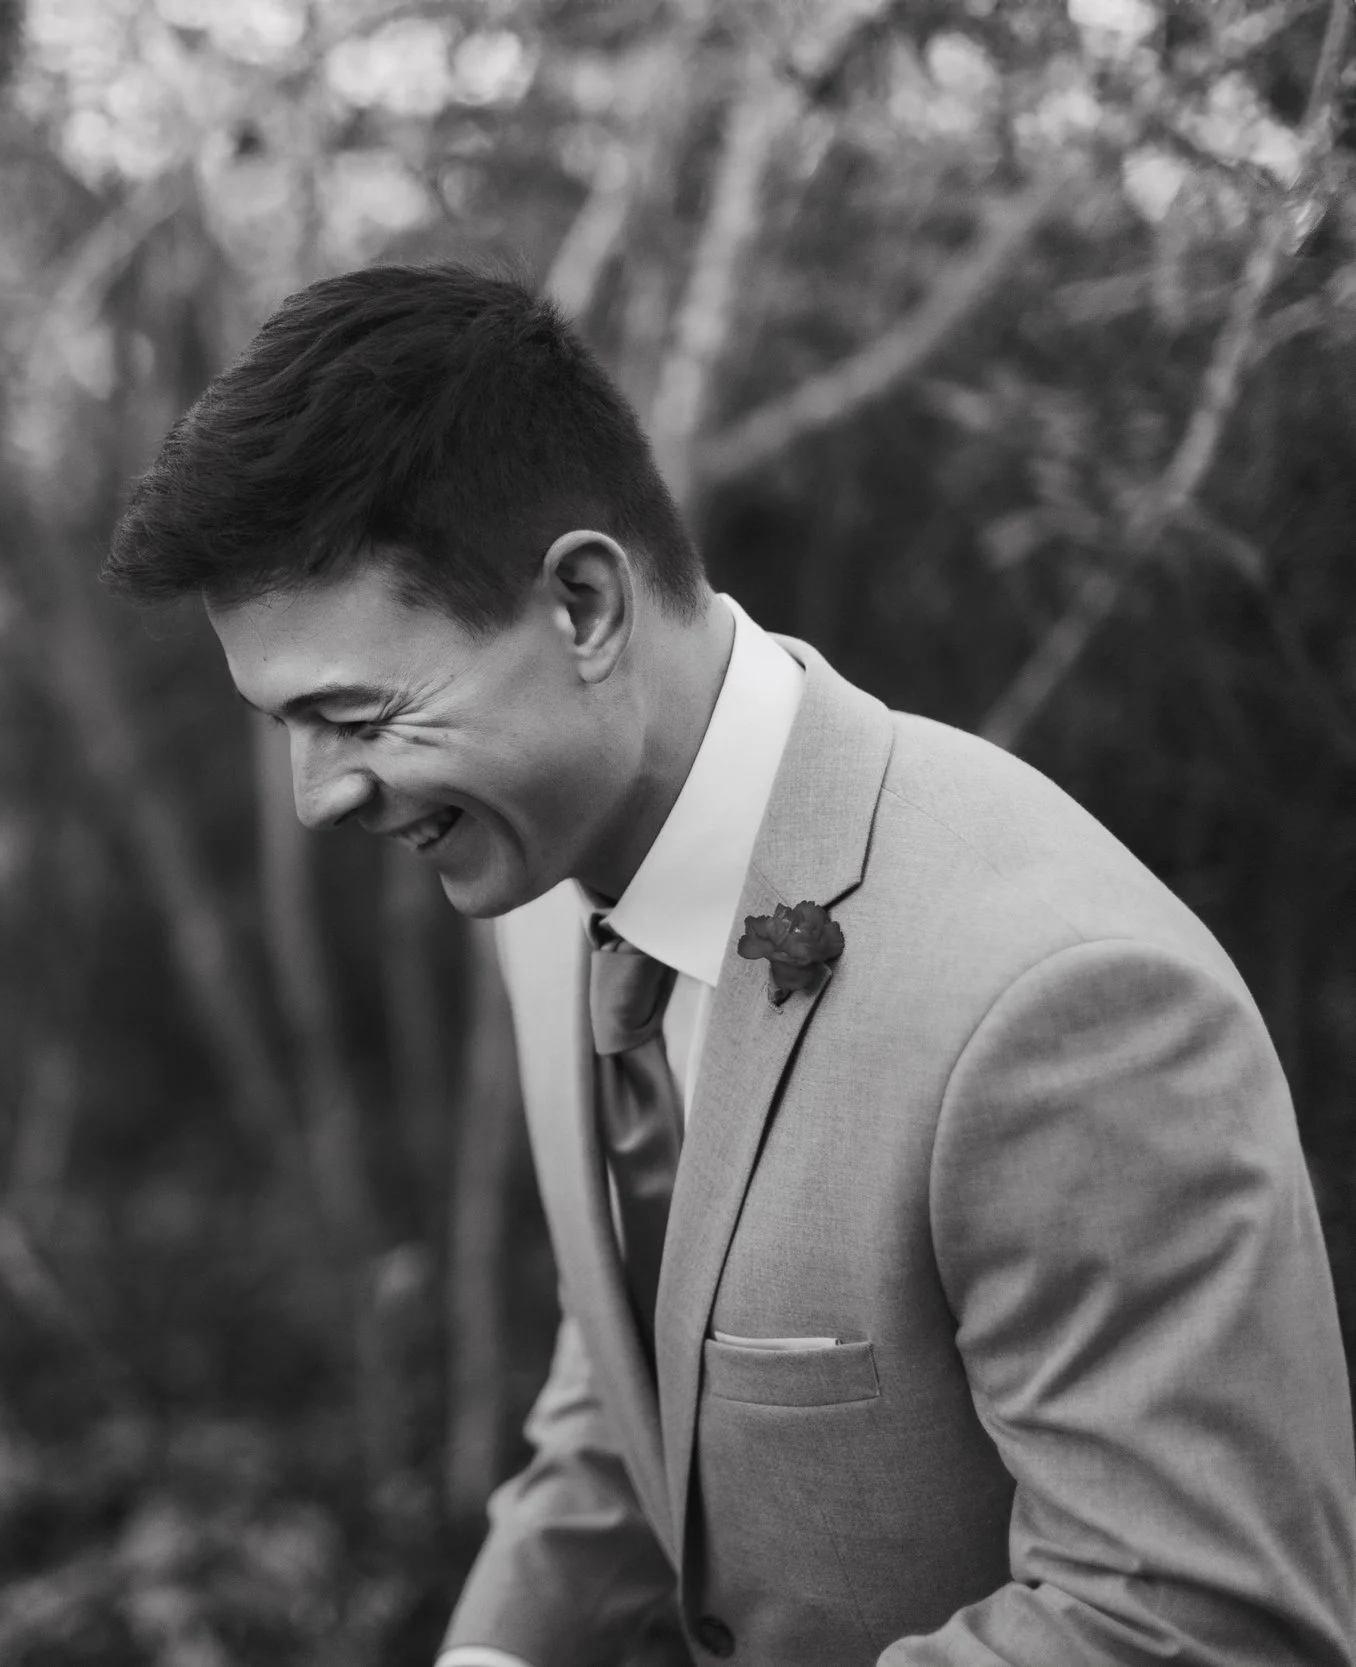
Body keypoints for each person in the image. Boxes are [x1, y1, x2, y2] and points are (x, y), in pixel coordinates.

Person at [105, 266, 1355, 1666]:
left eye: (354, 715)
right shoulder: (541, 890)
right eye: (284, 724)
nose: (314, 796)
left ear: (584, 605)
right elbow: (638, 1377)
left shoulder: (1057, 1000)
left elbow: (1191, 1617)